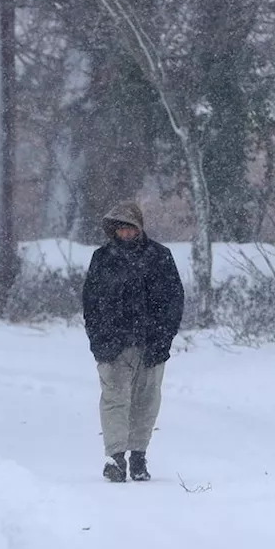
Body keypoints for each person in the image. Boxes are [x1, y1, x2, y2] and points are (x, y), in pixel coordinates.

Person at [82, 202, 185, 483]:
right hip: (112, 344)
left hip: (151, 343)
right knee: (115, 399)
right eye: (121, 228)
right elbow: (91, 303)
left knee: (146, 401)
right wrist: (98, 339)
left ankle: (138, 455)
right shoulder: (101, 259)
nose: (125, 233)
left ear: (139, 228)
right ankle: (115, 457)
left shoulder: (160, 257)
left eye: (130, 227)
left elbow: (174, 301)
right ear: (113, 230)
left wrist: (163, 337)